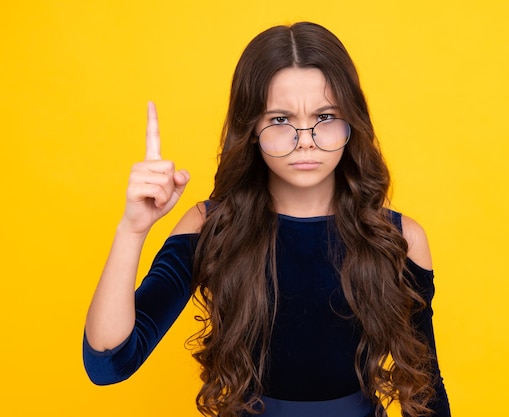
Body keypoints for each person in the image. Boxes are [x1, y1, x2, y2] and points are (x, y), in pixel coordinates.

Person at [83, 22, 450, 417]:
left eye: (325, 116)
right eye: (280, 120)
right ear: (251, 128)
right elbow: (109, 363)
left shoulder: (399, 239)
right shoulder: (212, 229)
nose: (305, 139)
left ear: (351, 122)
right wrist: (133, 229)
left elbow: (425, 391)